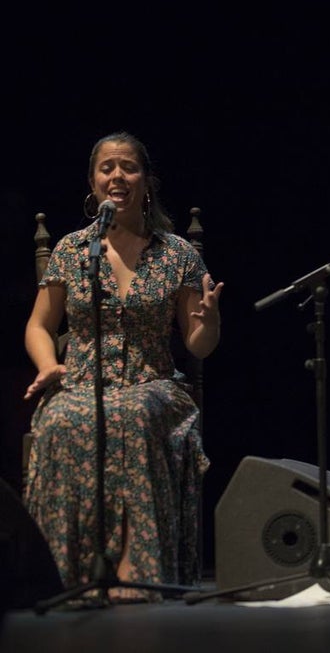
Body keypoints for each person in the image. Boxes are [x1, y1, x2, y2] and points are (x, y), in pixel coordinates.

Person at [23, 132, 223, 600]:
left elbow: (198, 346)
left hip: (151, 383)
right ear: (93, 183)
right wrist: (49, 365)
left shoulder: (177, 254)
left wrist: (209, 322)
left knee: (131, 417)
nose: (117, 176)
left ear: (146, 181)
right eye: (106, 168)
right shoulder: (74, 251)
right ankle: (64, 578)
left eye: (128, 167)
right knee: (60, 421)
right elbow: (38, 325)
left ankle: (137, 574)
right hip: (81, 382)